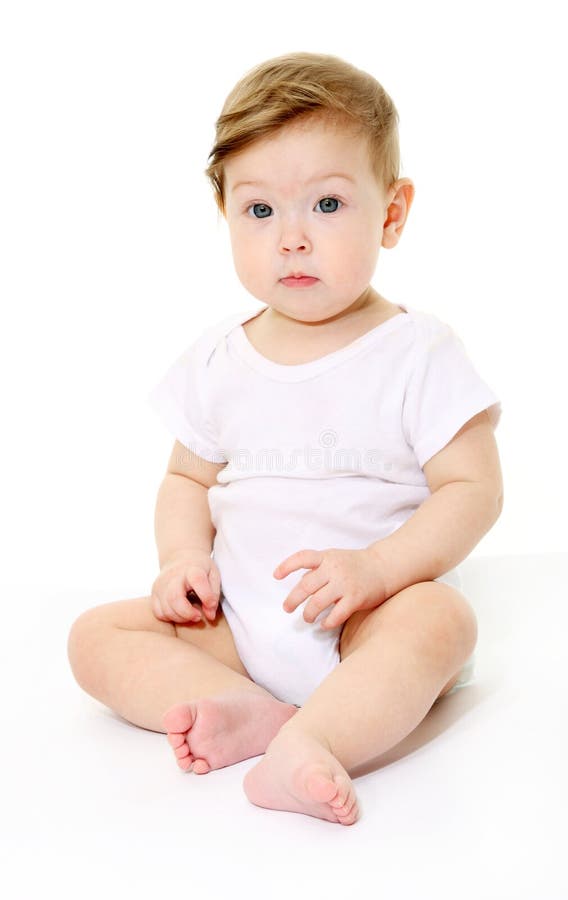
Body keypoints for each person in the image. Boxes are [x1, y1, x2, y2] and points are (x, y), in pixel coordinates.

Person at [67, 52, 503, 826]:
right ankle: (246, 710)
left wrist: (378, 570)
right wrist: (181, 563)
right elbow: (187, 482)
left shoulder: (418, 352)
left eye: (328, 205)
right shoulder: (216, 359)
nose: (292, 239)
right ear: (226, 212)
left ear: (392, 213)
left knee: (442, 621)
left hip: (366, 624)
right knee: (95, 638)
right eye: (261, 211)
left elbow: (475, 490)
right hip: (240, 623)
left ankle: (319, 735)